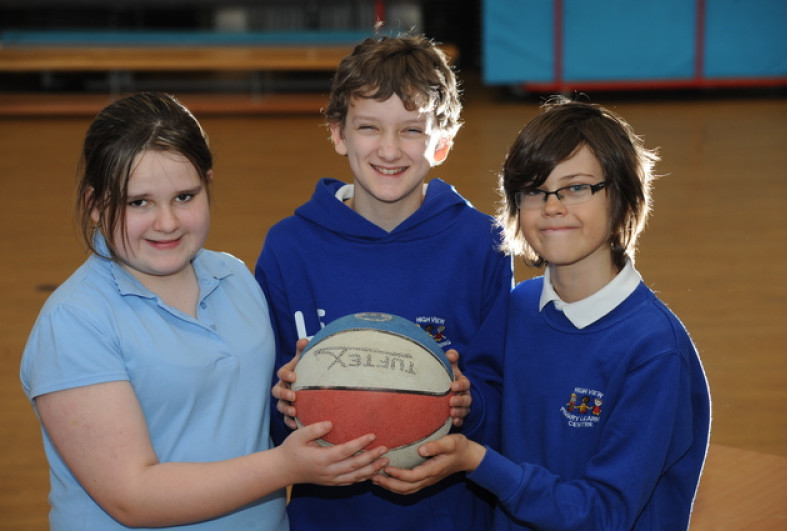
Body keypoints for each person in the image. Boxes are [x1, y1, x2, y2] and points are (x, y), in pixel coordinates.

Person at [20, 92, 389, 530]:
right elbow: (131, 497)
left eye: (184, 196)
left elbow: (251, 412)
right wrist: (285, 467)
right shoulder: (75, 322)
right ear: (96, 204)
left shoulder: (234, 278)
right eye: (139, 202)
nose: (167, 222)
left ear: (207, 184)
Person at [374, 97, 712, 530]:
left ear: (625, 198)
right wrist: (459, 403)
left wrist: (477, 462)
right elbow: (490, 421)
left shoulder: (654, 349)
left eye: (576, 188)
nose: (552, 206)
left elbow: (605, 513)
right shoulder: (517, 307)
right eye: (534, 190)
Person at [255, 34, 513, 530]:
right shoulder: (290, 247)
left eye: (411, 130)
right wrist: (285, 402)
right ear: (338, 133)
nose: (389, 150)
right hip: (326, 517)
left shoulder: (482, 243)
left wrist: (468, 403)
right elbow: (262, 406)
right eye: (369, 127)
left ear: (441, 142)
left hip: (450, 515)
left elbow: (502, 392)